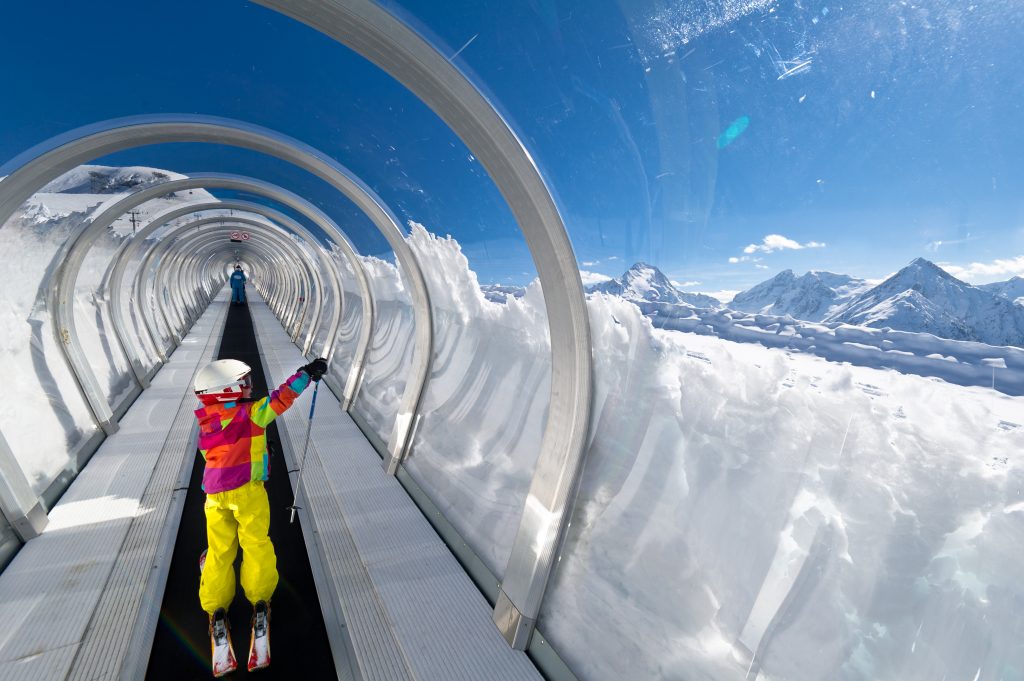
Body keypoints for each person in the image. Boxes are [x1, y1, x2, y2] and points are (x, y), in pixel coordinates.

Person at [193, 355, 328, 676]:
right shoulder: (253, 414)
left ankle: (216, 607)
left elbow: (217, 452)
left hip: (214, 497)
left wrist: (259, 451)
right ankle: (260, 599)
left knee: (219, 551)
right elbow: (282, 398)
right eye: (243, 383)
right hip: (249, 495)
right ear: (227, 390)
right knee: (256, 544)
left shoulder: (206, 419)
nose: (249, 387)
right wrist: (306, 374)